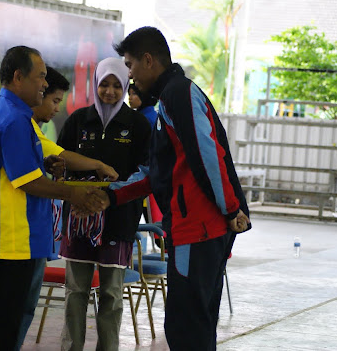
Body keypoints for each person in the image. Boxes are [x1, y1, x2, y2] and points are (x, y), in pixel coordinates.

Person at [96, 27, 251, 351]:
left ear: (148, 60)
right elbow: (157, 172)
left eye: (130, 65)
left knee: (187, 329)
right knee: (190, 326)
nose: (130, 75)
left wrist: (230, 208)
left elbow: (207, 155)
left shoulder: (178, 94)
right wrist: (111, 195)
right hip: (191, 230)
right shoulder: (169, 98)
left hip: (199, 229)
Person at [0, 65, 118, 351]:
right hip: (8, 238)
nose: (44, 86)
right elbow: (28, 181)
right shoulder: (12, 118)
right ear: (18, 77)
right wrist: (75, 193)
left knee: (8, 319)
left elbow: (30, 164)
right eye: (41, 79)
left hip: (23, 237)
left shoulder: (16, 117)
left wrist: (47, 165)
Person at [57, 57, 151, 351]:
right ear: (95, 84)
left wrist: (109, 198)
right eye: (104, 85)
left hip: (119, 219)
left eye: (116, 86)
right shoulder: (78, 120)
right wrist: (78, 195)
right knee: (76, 291)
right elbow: (60, 162)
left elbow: (145, 173)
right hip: (79, 218)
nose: (109, 91)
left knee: (111, 293)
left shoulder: (138, 125)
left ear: (125, 86)